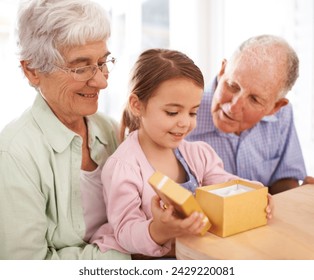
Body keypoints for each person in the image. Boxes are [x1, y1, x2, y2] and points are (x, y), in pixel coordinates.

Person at [90, 48, 272, 258]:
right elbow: (124, 230)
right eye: (172, 112)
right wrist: (159, 230)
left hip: (195, 253)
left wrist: (255, 193)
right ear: (137, 105)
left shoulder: (199, 154)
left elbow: (226, 185)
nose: (185, 122)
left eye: (192, 112)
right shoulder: (124, 167)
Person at [0, 0, 130, 260]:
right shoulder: (13, 154)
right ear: (33, 70)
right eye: (81, 67)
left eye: (103, 62)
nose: (102, 81)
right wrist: (127, 253)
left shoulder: (109, 129)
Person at [186, 34, 314, 195]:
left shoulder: (282, 116)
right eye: (232, 86)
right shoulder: (181, 112)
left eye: (254, 99)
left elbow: (284, 179)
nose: (234, 107)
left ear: (275, 107)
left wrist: (297, 195)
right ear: (222, 71)